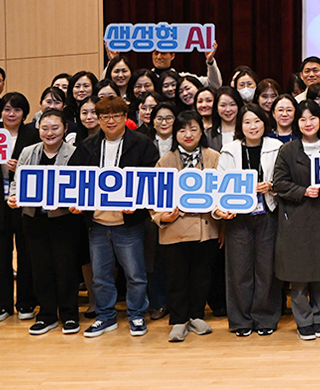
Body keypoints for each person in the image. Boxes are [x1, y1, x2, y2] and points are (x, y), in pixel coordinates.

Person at [68, 95, 160, 337]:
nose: (110, 121)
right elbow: (74, 179)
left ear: (125, 117)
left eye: (116, 116)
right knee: (100, 276)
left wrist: (138, 205)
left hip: (129, 223)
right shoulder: (87, 146)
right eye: (105, 116)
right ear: (98, 119)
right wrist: (76, 204)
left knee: (135, 274)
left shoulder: (142, 144)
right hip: (97, 222)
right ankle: (105, 316)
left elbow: (152, 180)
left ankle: (137, 314)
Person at [271, 102, 320, 340]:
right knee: (299, 274)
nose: (308, 123)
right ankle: (303, 321)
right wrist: (303, 191)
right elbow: (279, 183)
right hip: (297, 218)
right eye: (303, 119)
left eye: (313, 118)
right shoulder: (288, 150)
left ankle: (318, 319)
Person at [9, 108, 80, 334]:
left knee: (65, 268)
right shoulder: (28, 151)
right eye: (44, 128)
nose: (50, 133)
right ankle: (47, 314)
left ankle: (69, 315)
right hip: (33, 218)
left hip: (63, 220)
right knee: (40, 268)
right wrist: (13, 196)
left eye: (55, 128)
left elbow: (80, 186)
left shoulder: (75, 153)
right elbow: (17, 181)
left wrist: (70, 202)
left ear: (65, 128)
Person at [153, 109, 220, 342]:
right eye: (182, 130)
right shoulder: (166, 160)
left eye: (193, 129)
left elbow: (223, 192)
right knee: (176, 277)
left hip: (206, 228)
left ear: (202, 132)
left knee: (202, 275)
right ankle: (179, 320)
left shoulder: (214, 157)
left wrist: (222, 225)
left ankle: (196, 315)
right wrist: (162, 217)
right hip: (175, 229)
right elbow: (154, 198)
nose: (188, 134)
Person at [216, 104, 283, 336]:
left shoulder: (276, 147)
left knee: (267, 269)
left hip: (268, 213)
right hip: (238, 217)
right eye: (247, 122)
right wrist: (220, 211)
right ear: (240, 126)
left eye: (257, 121)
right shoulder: (229, 150)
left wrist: (271, 186)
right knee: (239, 269)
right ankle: (241, 320)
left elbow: (285, 180)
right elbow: (219, 186)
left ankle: (265, 318)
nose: (252, 126)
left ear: (265, 123)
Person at [0, 92, 40, 323]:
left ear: (24, 113)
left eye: (17, 109)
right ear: (0, 112)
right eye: (6, 109)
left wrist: (21, 168)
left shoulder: (33, 135)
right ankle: (0, 305)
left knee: (27, 254)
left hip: (24, 202)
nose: (11, 113)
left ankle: (26, 302)